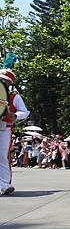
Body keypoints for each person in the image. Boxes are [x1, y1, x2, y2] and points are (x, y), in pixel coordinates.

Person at [0, 66, 30, 194]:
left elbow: (25, 112)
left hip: (4, 129)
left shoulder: (14, 97)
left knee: (2, 157)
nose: (3, 82)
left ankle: (5, 184)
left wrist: (15, 116)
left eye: (5, 81)